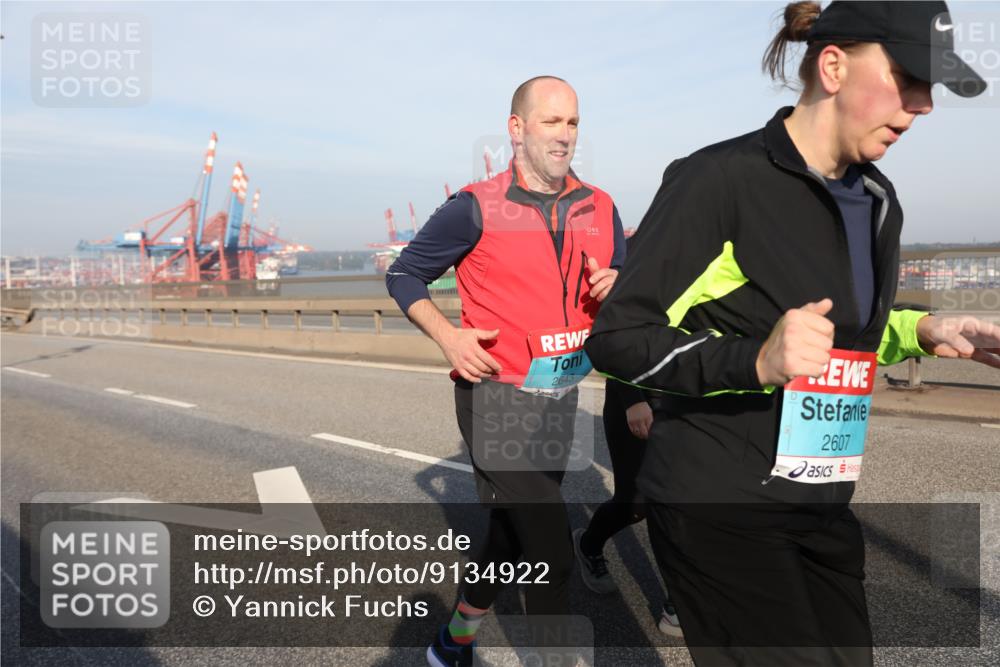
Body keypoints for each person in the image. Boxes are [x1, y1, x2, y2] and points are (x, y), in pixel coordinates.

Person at [584, 2, 999, 665]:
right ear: (832, 67)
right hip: (718, 501)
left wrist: (922, 328)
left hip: (821, 501)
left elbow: (839, 338)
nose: (923, 105)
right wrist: (755, 361)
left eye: (931, 87)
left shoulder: (879, 201)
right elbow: (617, 337)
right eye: (908, 78)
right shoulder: (719, 179)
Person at [385, 76, 626, 667]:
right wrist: (449, 337)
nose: (564, 135)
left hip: (560, 397)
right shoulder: (475, 205)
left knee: (511, 537)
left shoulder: (602, 206)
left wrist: (620, 284)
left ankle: (453, 641)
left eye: (573, 122)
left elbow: (629, 285)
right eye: (551, 121)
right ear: (516, 129)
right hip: (495, 398)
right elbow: (402, 274)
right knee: (552, 553)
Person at [572, 377, 684, 638]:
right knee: (635, 504)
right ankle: (588, 545)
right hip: (638, 402)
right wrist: (633, 399)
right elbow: (618, 351)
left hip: (688, 404)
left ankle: (678, 602)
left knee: (681, 506)